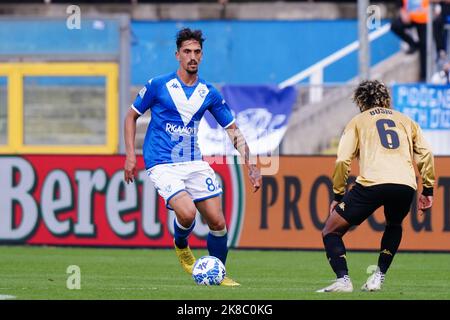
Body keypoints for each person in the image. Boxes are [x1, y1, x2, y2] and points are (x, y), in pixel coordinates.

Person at [123, 28, 261, 287]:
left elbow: (232, 130)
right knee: (186, 215)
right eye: (187, 51)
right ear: (177, 55)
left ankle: (219, 274)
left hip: (193, 162)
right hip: (162, 162)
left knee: (218, 222)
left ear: (202, 55)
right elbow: (131, 117)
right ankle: (181, 244)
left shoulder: (209, 93)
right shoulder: (157, 86)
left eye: (197, 52)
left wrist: (251, 163)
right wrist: (131, 155)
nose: (192, 56)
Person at [316, 80, 435, 293]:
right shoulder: (407, 121)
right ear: (386, 98)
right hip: (405, 184)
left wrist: (338, 194)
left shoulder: (358, 121)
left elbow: (343, 160)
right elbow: (426, 154)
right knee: (394, 225)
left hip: (372, 182)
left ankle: (343, 280)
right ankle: (378, 277)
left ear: (361, 100)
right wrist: (427, 189)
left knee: (330, 230)